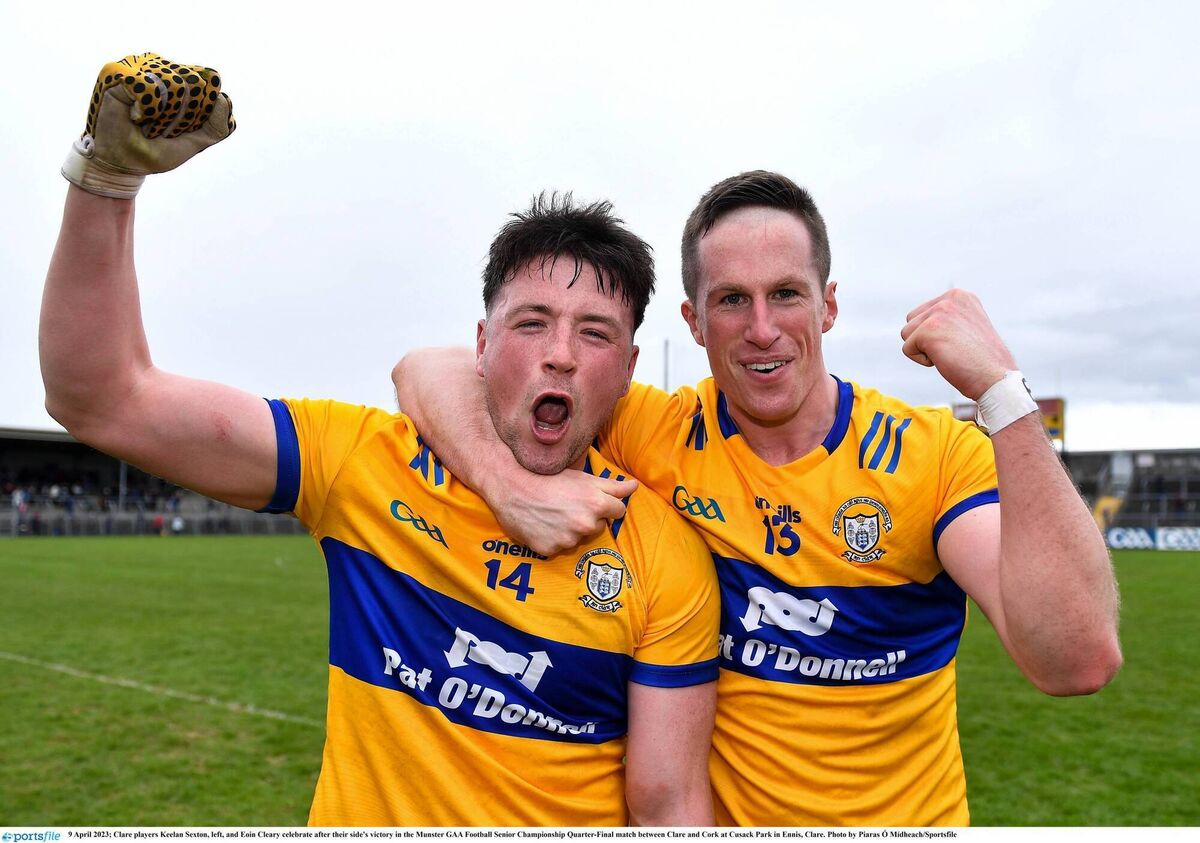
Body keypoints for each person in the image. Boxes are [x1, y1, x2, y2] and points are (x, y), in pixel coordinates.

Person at [41, 52, 720, 826]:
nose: (559, 352)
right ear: (481, 343)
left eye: (594, 333)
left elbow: (666, 804)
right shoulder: (366, 461)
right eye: (531, 322)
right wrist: (106, 184)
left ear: (629, 368)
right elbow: (100, 397)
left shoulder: (663, 556)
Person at [393, 170, 1124, 826]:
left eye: (786, 294)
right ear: (693, 322)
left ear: (829, 304)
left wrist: (1003, 395)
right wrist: (508, 485)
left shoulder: (931, 457)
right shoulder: (653, 430)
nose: (762, 328)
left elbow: (1075, 660)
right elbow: (434, 368)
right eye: (732, 301)